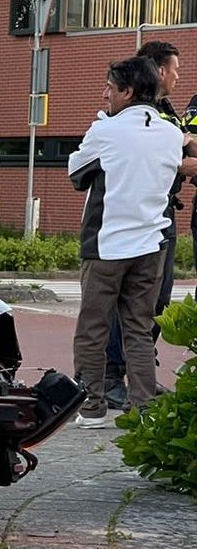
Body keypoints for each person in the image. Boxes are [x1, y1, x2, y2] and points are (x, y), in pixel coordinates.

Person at [69, 57, 185, 428]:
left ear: (128, 92)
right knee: (138, 328)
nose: (104, 94)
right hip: (152, 245)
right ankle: (145, 407)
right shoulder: (169, 132)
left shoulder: (107, 130)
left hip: (106, 244)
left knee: (93, 326)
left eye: (109, 87)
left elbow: (76, 172)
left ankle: (91, 407)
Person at [102, 41, 197, 407]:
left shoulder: (165, 112)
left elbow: (183, 145)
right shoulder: (141, 114)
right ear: (158, 70)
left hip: (162, 212)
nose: (178, 75)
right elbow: (175, 161)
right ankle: (112, 376)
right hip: (142, 215)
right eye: (174, 68)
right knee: (132, 299)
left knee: (154, 301)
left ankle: (140, 376)